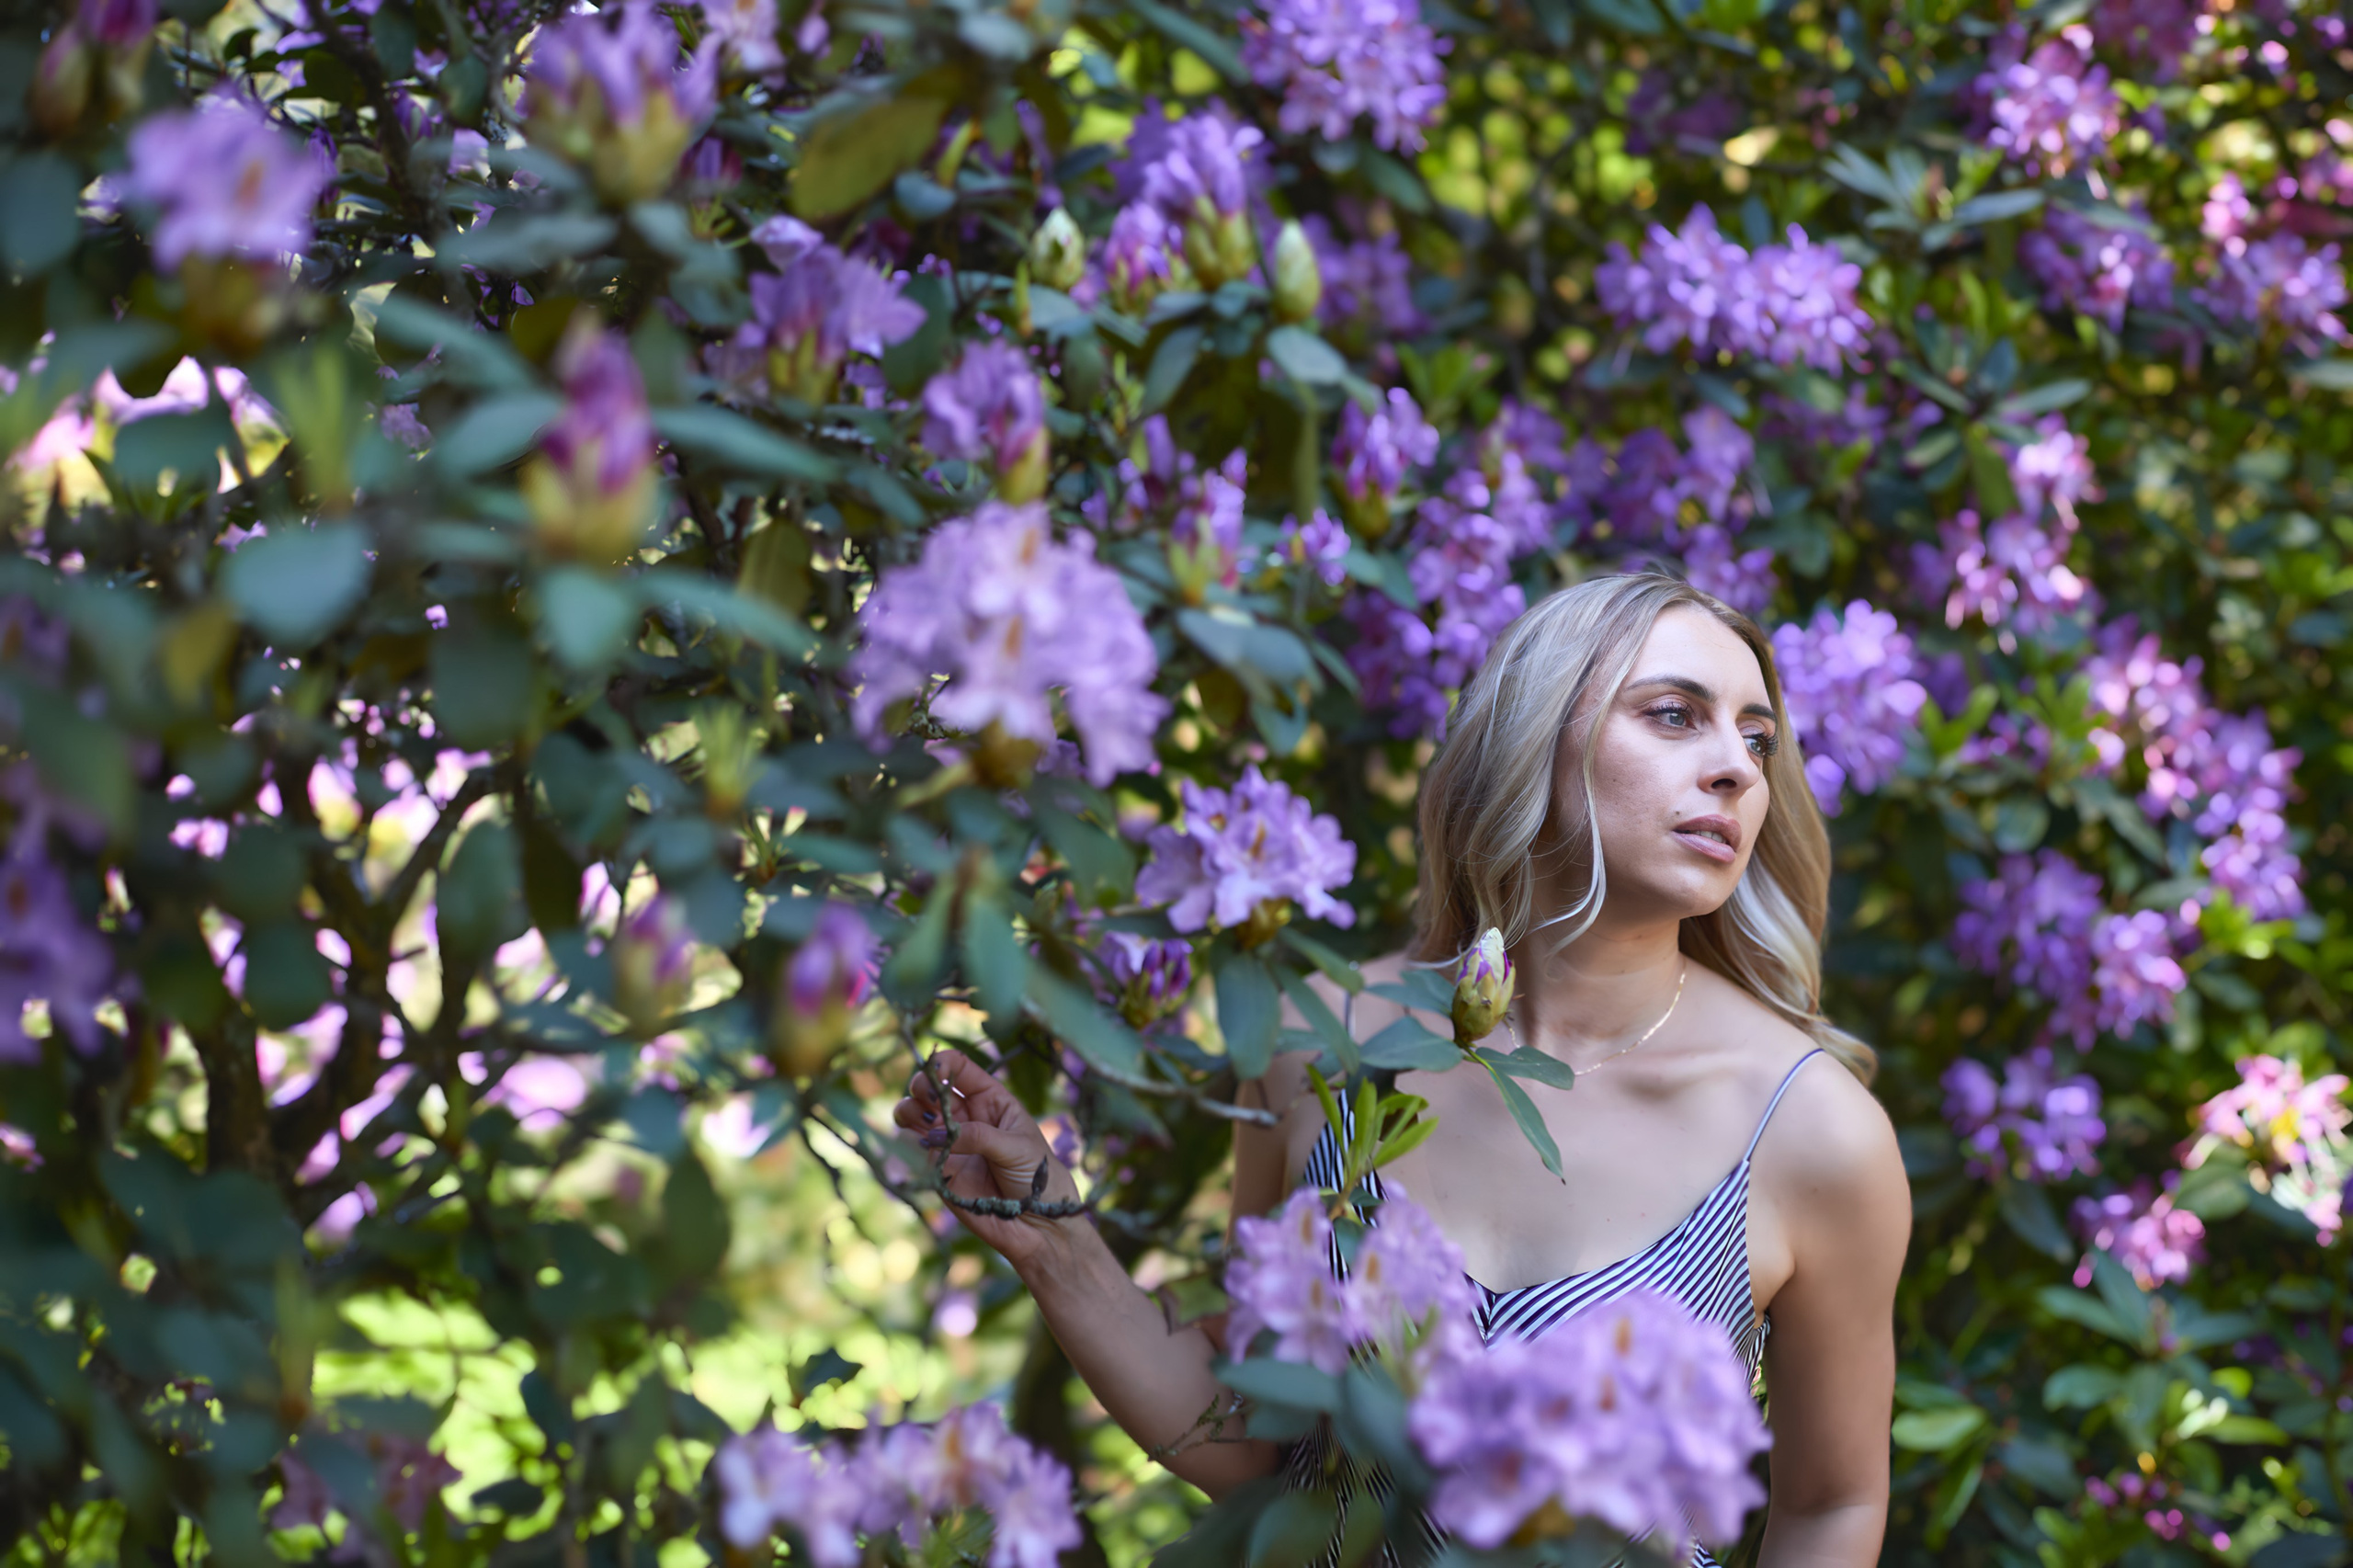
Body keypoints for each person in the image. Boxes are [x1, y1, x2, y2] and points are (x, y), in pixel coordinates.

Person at [894, 572, 1912, 1565]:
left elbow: (1833, 1501)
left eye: (1758, 737)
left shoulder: (1812, 1130)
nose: (1738, 766)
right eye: (1676, 714)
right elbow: (1258, 1439)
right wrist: (1055, 1244)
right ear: (1534, 736)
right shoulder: (1317, 1042)